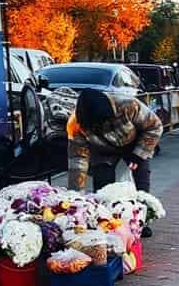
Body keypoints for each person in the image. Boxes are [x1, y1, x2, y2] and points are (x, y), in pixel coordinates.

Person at [66, 89, 164, 235]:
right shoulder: (75, 125)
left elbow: (154, 126)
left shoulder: (128, 104)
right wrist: (75, 198)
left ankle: (141, 221)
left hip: (134, 143)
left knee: (141, 179)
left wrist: (139, 154)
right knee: (103, 187)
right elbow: (77, 162)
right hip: (102, 150)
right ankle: (106, 222)